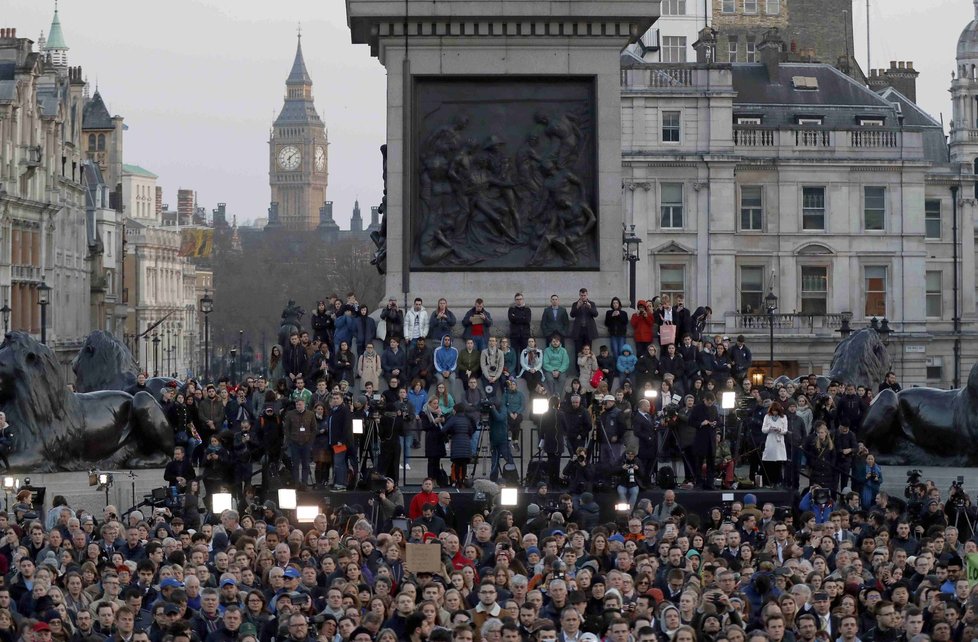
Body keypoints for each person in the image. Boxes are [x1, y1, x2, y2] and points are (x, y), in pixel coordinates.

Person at [283, 398, 316, 487]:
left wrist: (310, 442)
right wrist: (290, 440)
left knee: (306, 464)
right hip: (295, 443)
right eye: (297, 404)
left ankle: (304, 483)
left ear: (304, 404)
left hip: (306, 443)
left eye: (300, 404)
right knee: (295, 464)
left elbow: (314, 429)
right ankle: (296, 483)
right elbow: (286, 429)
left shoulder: (311, 414)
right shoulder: (290, 414)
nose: (298, 406)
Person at [761, 402, 788, 488]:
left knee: (778, 462)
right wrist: (770, 428)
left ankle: (778, 481)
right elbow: (763, 429)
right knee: (769, 461)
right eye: (773, 411)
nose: (774, 413)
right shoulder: (767, 417)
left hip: (779, 441)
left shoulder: (783, 417)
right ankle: (768, 482)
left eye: (776, 411)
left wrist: (779, 430)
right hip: (770, 440)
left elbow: (785, 430)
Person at [508, 293, 533, 357]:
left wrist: (516, 318)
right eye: (517, 299)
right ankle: (516, 367)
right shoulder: (511, 309)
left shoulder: (527, 309)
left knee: (524, 354)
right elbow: (511, 319)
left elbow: (527, 320)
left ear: (523, 300)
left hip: (525, 335)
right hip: (514, 335)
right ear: (515, 300)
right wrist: (522, 318)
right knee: (515, 355)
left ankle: (523, 367)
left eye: (520, 299)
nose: (519, 300)